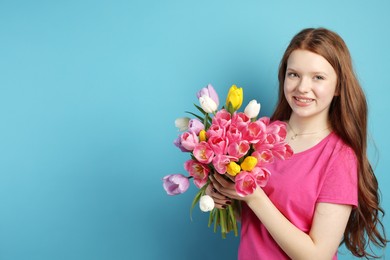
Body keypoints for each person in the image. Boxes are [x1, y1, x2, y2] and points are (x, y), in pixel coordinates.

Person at [206, 28, 387, 259]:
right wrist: (223, 193)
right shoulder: (257, 135)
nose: (302, 87)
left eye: (318, 77)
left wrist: (254, 196)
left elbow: (317, 255)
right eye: (294, 74)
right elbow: (256, 218)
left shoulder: (339, 157)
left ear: (339, 87)